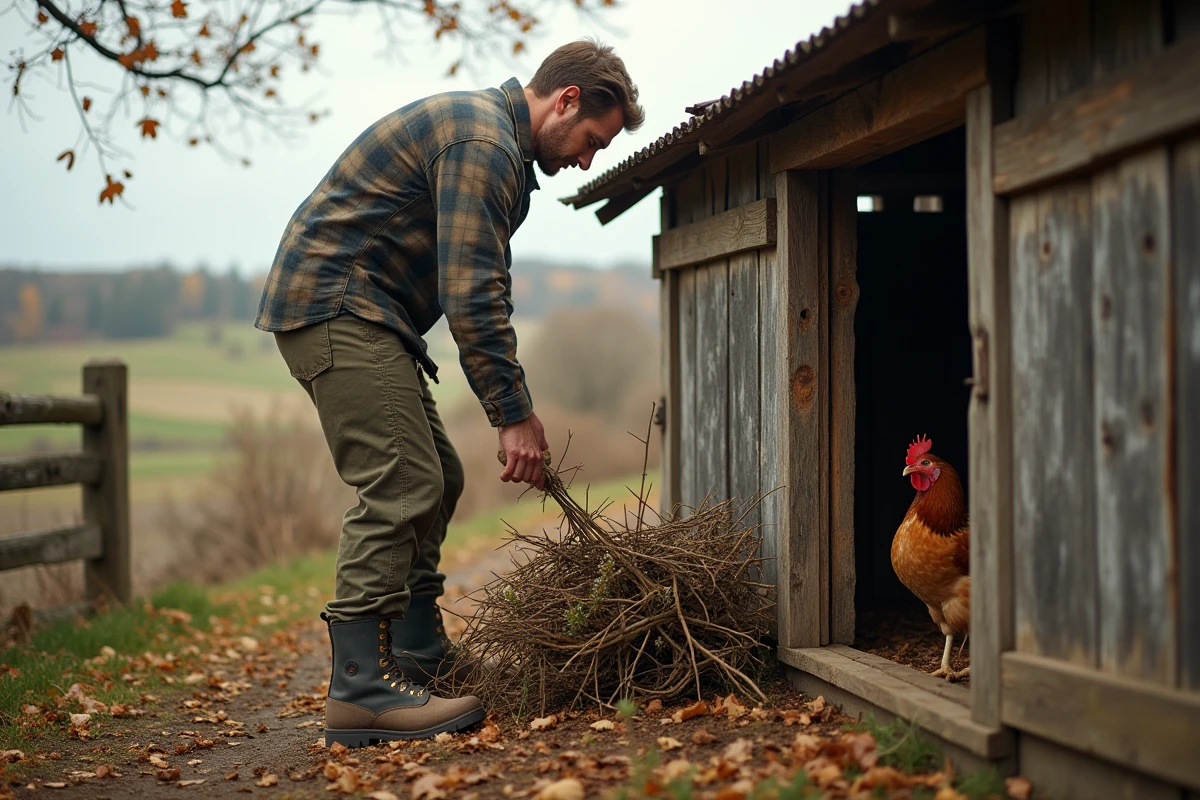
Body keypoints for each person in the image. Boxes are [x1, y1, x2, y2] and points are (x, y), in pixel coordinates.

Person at [254, 39, 644, 747]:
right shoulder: (484, 143)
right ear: (566, 100)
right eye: (592, 141)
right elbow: (471, 293)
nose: (588, 160)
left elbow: (477, 280)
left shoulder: (494, 146)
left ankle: (416, 658)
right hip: (337, 307)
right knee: (402, 481)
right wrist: (513, 415)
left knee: (441, 476)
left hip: (366, 314)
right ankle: (361, 690)